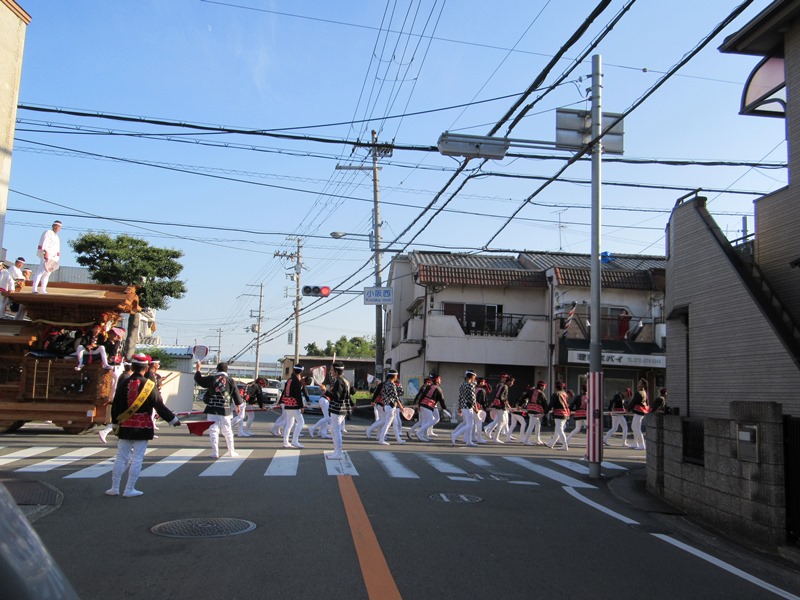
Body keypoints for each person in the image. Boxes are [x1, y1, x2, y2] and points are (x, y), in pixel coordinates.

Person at [106, 354, 180, 497]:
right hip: (142, 426)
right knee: (137, 458)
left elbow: (115, 406)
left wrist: (114, 423)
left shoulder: (124, 383)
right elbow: (159, 406)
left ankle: (114, 488)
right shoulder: (149, 385)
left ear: (133, 367)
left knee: (121, 457)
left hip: (125, 425)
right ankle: (129, 489)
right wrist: (173, 420)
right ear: (146, 368)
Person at [194, 360, 242, 458]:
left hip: (212, 408)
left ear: (217, 369)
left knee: (213, 430)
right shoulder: (230, 380)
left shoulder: (212, 378)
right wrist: (238, 406)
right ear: (227, 370)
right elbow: (236, 394)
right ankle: (231, 451)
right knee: (228, 431)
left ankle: (215, 452)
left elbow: (199, 380)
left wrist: (198, 368)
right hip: (225, 409)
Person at [98, 361, 133, 444]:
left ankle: (107, 433)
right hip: (121, 401)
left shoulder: (124, 375)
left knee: (120, 420)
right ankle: (105, 432)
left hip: (119, 400)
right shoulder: (126, 377)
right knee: (121, 419)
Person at [325, 363, 353, 460]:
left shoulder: (339, 381)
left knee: (336, 431)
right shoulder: (344, 380)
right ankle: (337, 452)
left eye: (332, 370)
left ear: (336, 372)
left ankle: (338, 453)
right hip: (341, 409)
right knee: (334, 430)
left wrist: (326, 391)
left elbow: (336, 396)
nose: (331, 371)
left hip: (338, 409)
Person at [279, 364, 306, 449]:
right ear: (301, 371)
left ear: (294, 370)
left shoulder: (289, 380)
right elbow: (298, 395)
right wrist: (301, 406)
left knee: (289, 424)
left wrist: (280, 401)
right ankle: (295, 440)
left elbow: (284, 391)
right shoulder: (297, 381)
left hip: (287, 404)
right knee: (301, 422)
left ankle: (285, 441)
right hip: (294, 405)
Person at [375, 370, 404, 445]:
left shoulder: (385, 384)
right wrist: (401, 406)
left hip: (386, 405)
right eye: (396, 375)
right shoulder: (392, 384)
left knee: (394, 424)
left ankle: (399, 439)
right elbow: (395, 397)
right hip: (391, 406)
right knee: (388, 424)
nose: (397, 377)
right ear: (394, 376)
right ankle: (381, 439)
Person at [414, 372, 446, 442]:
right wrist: (444, 408)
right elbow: (442, 401)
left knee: (426, 421)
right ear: (437, 379)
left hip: (423, 405)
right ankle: (419, 433)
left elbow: (422, 396)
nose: (440, 380)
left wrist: (419, 404)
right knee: (430, 421)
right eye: (439, 379)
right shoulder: (438, 389)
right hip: (427, 406)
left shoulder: (429, 386)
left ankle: (424, 435)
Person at [32, 220, 61, 294]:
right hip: (47, 255)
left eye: (59, 227)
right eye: (56, 226)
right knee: (41, 272)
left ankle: (43, 289)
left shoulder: (57, 237)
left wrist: (56, 259)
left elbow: (57, 249)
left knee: (47, 274)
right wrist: (45, 253)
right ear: (53, 226)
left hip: (53, 258)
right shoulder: (48, 232)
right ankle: (34, 289)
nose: (57, 228)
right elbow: (45, 242)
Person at [451, 370, 477, 446]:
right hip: (468, 407)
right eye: (474, 377)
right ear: (472, 376)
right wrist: (476, 408)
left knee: (467, 423)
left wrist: (460, 407)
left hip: (463, 406)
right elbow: (473, 398)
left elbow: (460, 397)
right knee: (469, 425)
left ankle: (468, 441)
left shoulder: (463, 385)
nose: (474, 378)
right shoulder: (470, 385)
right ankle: (455, 435)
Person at [485, 373, 512, 443]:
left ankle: (490, 432)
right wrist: (504, 405)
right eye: (503, 378)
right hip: (500, 406)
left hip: (499, 405)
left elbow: (499, 396)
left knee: (500, 421)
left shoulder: (501, 385)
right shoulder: (502, 386)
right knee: (502, 421)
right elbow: (500, 397)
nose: (504, 379)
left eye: (505, 378)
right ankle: (496, 437)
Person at [522, 380, 548, 446]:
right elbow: (545, 403)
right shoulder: (541, 393)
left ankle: (538, 440)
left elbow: (523, 397)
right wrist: (546, 411)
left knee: (538, 424)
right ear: (542, 386)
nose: (544, 388)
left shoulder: (531, 391)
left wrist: (520, 405)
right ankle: (526, 440)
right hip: (536, 411)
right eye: (544, 387)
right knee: (531, 425)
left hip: (530, 409)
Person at [546, 381, 570, 451]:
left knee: (559, 429)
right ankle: (551, 443)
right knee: (557, 429)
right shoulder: (564, 394)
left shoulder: (556, 394)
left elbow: (551, 404)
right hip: (566, 413)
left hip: (558, 413)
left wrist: (544, 412)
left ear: (555, 387)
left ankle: (565, 445)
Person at [628, 378, 649, 450]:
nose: (638, 383)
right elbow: (647, 403)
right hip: (641, 412)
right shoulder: (644, 392)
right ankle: (635, 443)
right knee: (635, 427)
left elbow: (633, 402)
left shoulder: (639, 393)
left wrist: (628, 409)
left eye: (640, 382)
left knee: (635, 428)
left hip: (638, 412)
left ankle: (641, 444)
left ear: (643, 385)